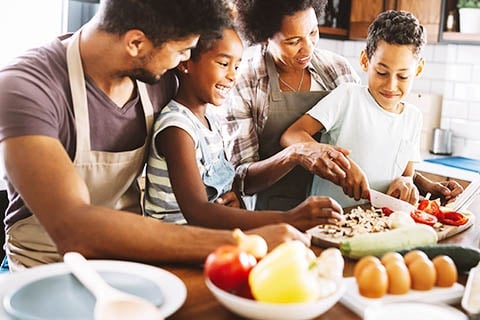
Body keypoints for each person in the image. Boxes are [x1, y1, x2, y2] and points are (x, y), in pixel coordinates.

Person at [0, 0, 311, 272]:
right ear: (136, 43)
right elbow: (74, 229)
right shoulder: (24, 88)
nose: (182, 62)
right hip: (48, 265)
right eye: (181, 52)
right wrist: (242, 242)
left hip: (132, 259)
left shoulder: (159, 79)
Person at [143, 22, 345, 230]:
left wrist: (232, 197)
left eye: (236, 66)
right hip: (176, 241)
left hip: (206, 235)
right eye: (223, 64)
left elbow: (220, 190)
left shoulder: (210, 119)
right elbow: (198, 212)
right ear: (185, 63)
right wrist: (289, 219)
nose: (232, 76)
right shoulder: (177, 128)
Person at [219, 0, 361, 211]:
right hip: (273, 214)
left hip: (339, 208)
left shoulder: (337, 70)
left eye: (313, 32)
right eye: (294, 41)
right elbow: (242, 180)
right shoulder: (244, 80)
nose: (308, 48)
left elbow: (366, 134)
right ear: (265, 37)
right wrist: (295, 155)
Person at [281, 10, 428, 208]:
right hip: (327, 220)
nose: (391, 85)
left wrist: (405, 182)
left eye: (402, 76)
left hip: (377, 226)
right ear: (365, 61)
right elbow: (292, 135)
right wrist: (341, 163)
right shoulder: (348, 97)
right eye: (382, 72)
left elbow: (406, 173)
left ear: (418, 70)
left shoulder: (413, 118)